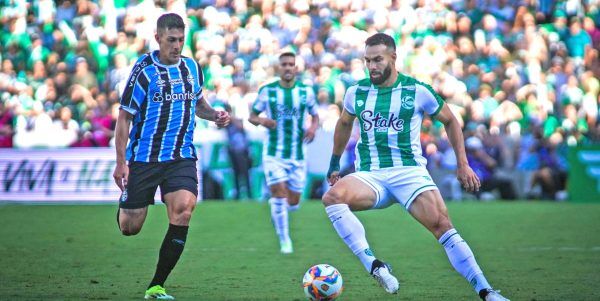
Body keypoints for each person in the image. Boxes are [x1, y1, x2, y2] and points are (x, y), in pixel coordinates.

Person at [323, 33, 510, 301]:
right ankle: (375, 266)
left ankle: (486, 291)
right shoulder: (357, 92)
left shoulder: (417, 90)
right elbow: (343, 123)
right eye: (367, 61)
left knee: (442, 225)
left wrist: (463, 164)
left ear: (393, 58)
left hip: (409, 173)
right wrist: (334, 162)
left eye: (378, 60)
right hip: (371, 175)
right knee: (332, 197)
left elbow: (451, 121)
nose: (372, 66)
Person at [112, 13, 230, 300]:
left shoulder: (192, 68)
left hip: (181, 156)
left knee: (184, 209)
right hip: (144, 158)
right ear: (158, 38)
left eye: (180, 40)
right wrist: (120, 163)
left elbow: (198, 103)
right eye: (171, 40)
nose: (176, 46)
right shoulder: (144, 71)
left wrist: (214, 114)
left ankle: (156, 285)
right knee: (130, 227)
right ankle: (128, 206)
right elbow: (124, 118)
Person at [248, 52, 319, 254]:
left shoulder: (306, 91)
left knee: (293, 203)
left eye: (291, 64)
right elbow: (252, 116)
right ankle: (284, 240)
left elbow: (315, 115)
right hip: (273, 153)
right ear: (279, 68)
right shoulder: (267, 91)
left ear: (296, 68)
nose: (288, 67)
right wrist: (263, 121)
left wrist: (313, 128)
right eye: (284, 64)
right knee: (279, 194)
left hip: (298, 155)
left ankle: (277, 211)